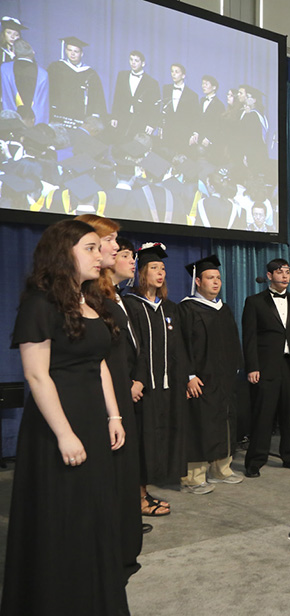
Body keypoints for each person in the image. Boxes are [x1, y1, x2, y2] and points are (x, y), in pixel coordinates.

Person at [0, 219, 130, 616]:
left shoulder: (92, 300)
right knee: (63, 519)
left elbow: (101, 366)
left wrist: (114, 416)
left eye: (100, 248)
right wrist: (64, 433)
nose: (100, 255)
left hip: (94, 420)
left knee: (93, 516)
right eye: (91, 247)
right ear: (64, 253)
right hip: (58, 425)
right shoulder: (40, 303)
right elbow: (37, 377)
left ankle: (95, 609)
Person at [75, 214, 146, 572]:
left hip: (120, 388)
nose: (117, 247)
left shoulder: (110, 291)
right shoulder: (87, 292)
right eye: (110, 240)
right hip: (104, 395)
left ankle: (124, 543)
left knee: (125, 470)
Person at [123, 242, 187, 517]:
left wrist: (183, 380)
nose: (160, 273)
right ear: (142, 272)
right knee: (140, 441)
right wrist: (133, 380)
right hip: (141, 388)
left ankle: (142, 492)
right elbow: (127, 349)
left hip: (165, 387)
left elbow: (178, 349)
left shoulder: (170, 307)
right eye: (154, 268)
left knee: (156, 441)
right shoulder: (130, 304)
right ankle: (135, 497)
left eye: (163, 269)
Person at [178, 255, 244, 494]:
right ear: (198, 281)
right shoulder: (186, 309)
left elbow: (233, 341)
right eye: (210, 278)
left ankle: (221, 469)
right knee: (199, 424)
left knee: (224, 420)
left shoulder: (223, 308)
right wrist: (189, 375)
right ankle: (194, 477)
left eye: (218, 278)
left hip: (224, 379)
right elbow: (181, 345)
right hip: (200, 378)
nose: (216, 282)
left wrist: (235, 366)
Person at [242, 258, 290, 476]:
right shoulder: (255, 302)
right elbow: (249, 338)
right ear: (269, 276)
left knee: (289, 415)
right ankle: (255, 460)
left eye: (288, 272)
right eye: (280, 272)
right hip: (266, 366)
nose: (285, 276)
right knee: (263, 416)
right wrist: (252, 367)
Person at [47, 37, 107, 127]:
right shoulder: (56, 68)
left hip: (81, 116)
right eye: (70, 50)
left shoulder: (90, 73)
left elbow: (98, 97)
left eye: (76, 51)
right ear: (66, 51)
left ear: (81, 54)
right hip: (59, 114)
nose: (72, 54)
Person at [109, 50, 160, 142]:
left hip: (140, 120)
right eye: (131, 59)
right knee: (119, 146)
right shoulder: (122, 76)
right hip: (123, 118)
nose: (133, 63)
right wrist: (114, 116)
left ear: (143, 63)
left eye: (136, 61)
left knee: (136, 147)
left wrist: (151, 124)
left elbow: (155, 106)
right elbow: (117, 98)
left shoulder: (152, 83)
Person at [0, 40, 48, 124]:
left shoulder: (4, 69)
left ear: (14, 52)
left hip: (10, 121)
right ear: (32, 52)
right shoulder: (43, 74)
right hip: (34, 121)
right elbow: (42, 104)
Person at [159, 63, 199, 155]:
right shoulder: (166, 89)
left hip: (183, 133)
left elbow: (195, 117)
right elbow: (164, 110)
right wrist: (161, 127)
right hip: (168, 132)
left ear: (183, 75)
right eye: (172, 71)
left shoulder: (192, 95)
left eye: (176, 72)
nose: (173, 74)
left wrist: (194, 133)